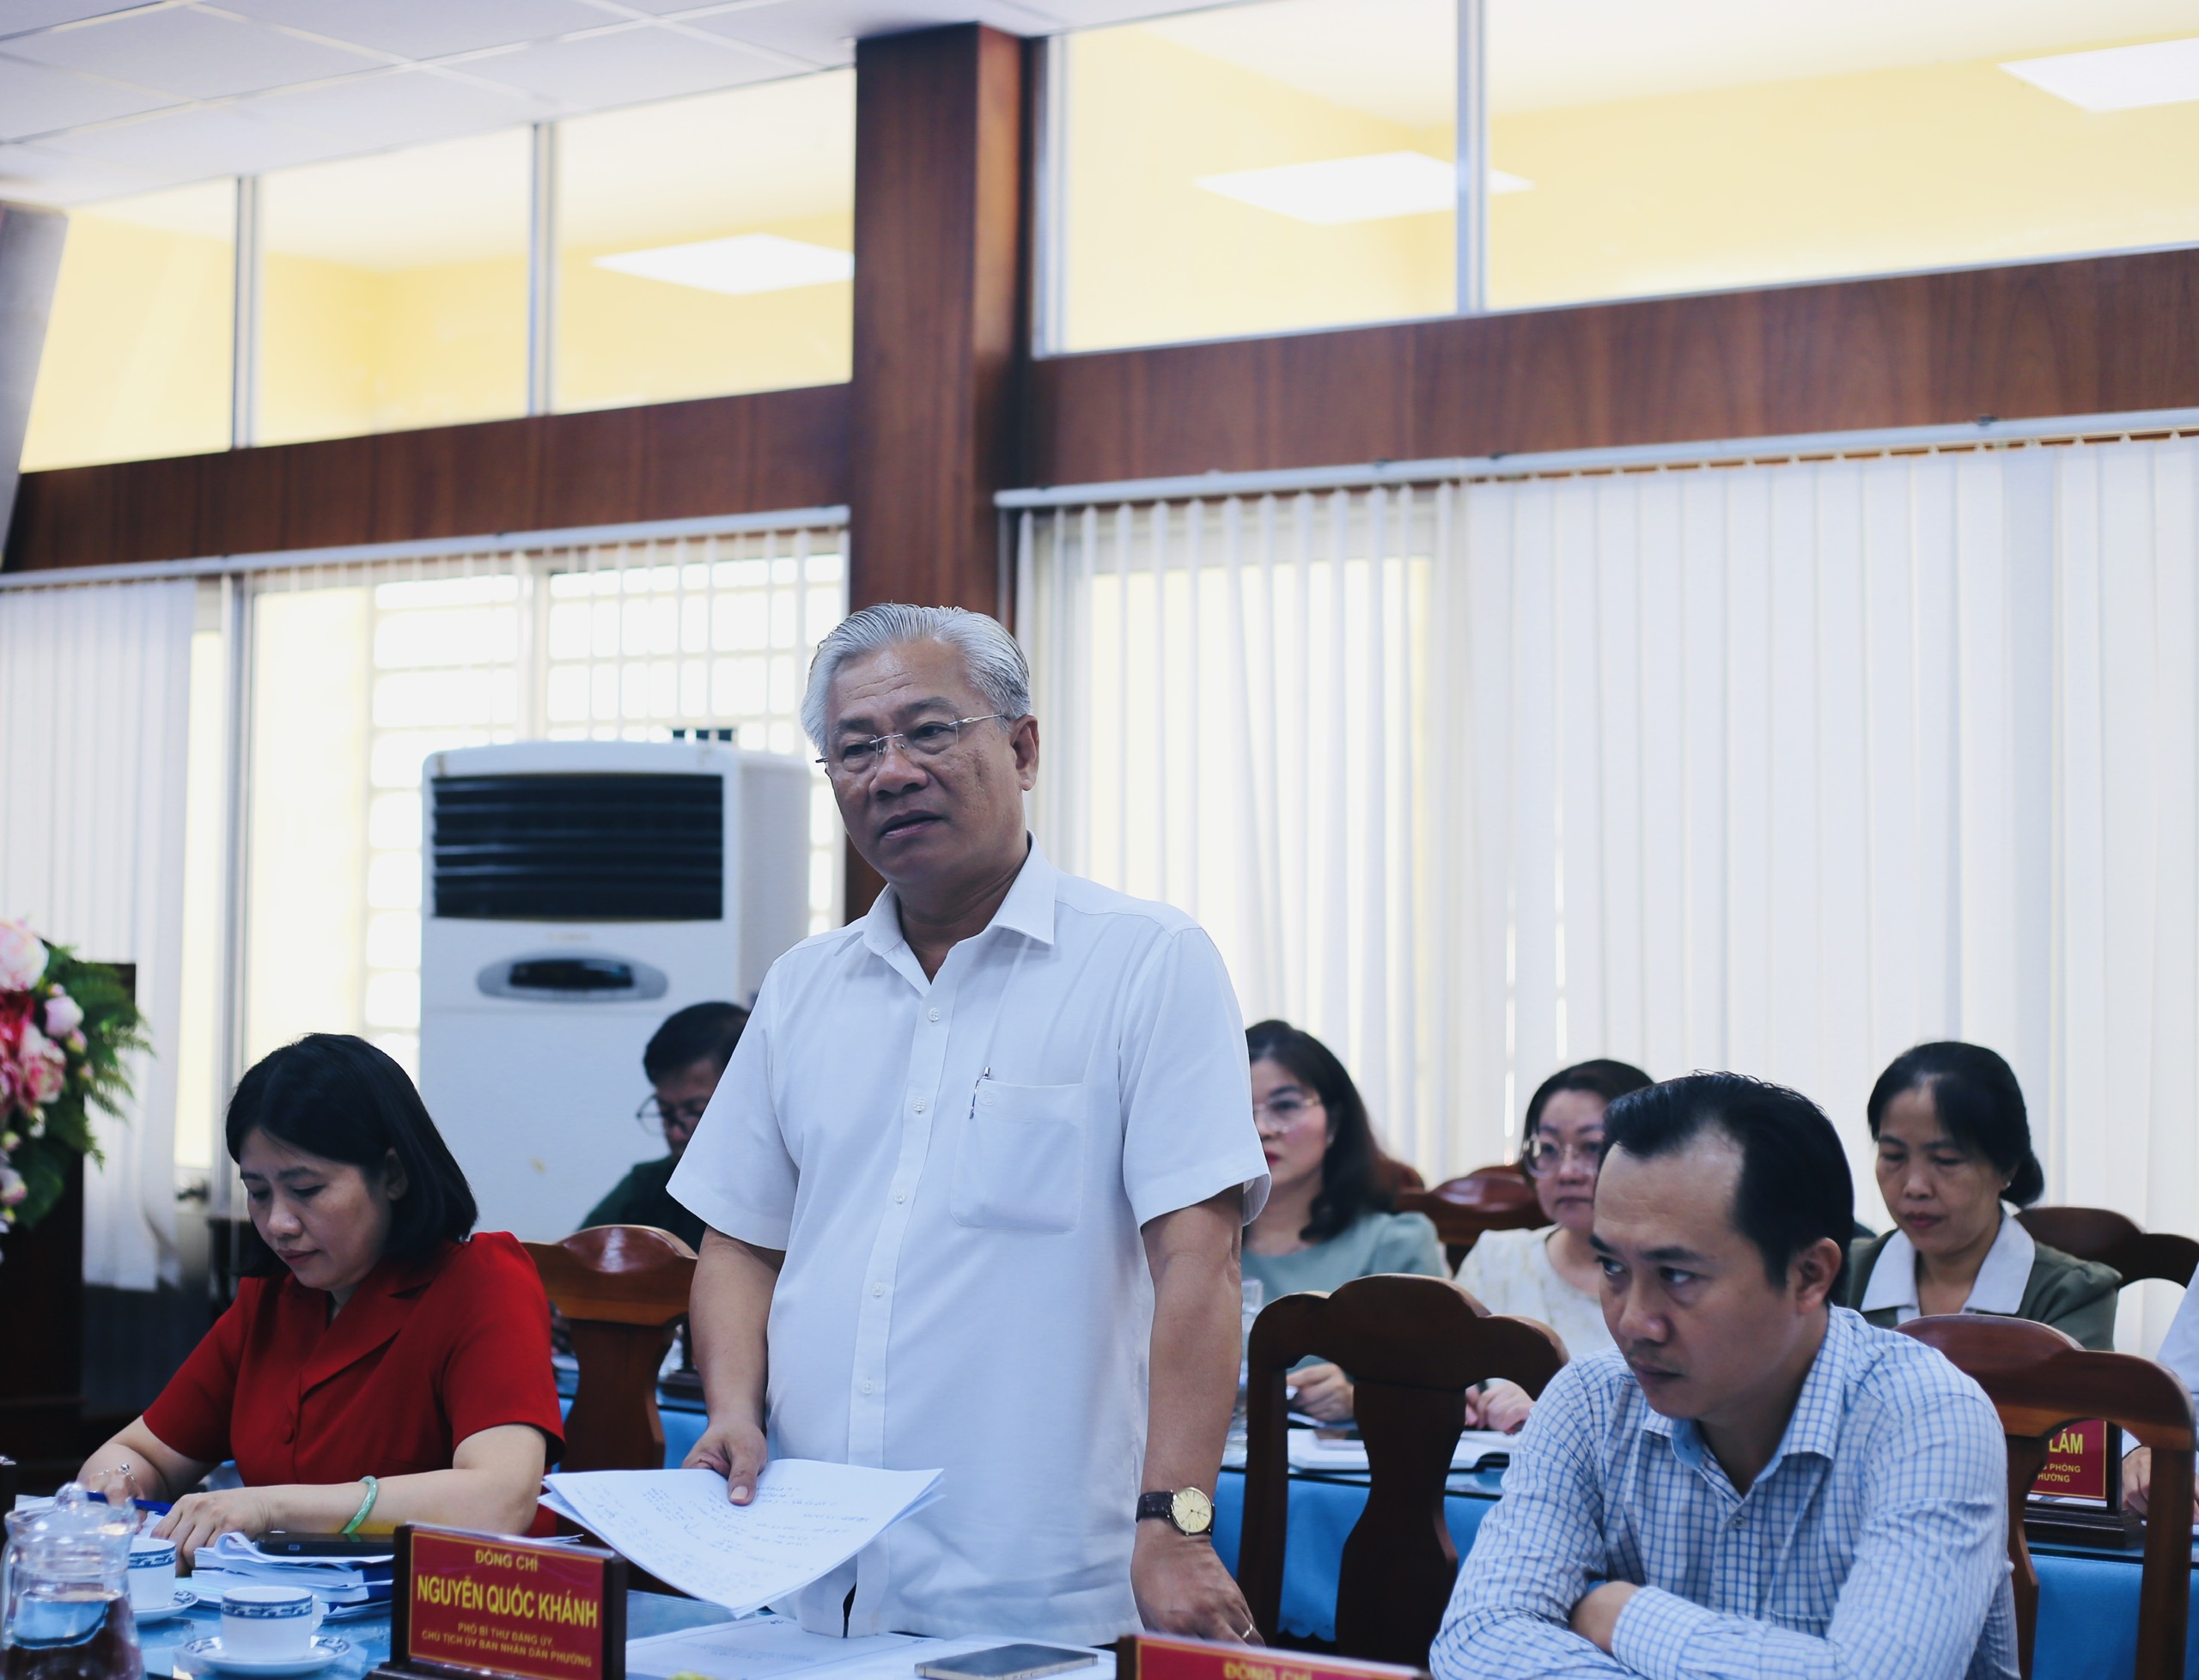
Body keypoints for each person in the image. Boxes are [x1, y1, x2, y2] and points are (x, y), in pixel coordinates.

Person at [669, 604, 1270, 1644]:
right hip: (812, 1577)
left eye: (929, 731)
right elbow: (740, 1242)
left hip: (1040, 1580)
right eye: (856, 748)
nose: (891, 772)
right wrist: (731, 1408)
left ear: (1023, 749)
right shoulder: (803, 987)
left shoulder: (1144, 961)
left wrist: (1176, 1524)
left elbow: (1199, 1263)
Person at [1433, 1072, 2017, 1680]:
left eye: (1677, 1275)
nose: (1633, 1322)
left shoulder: (1928, 1417)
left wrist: (1624, 1615)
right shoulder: (1591, 1402)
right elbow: (1477, 1638)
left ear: (1809, 1276)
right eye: (1612, 1267)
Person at [76, 1034, 562, 1562]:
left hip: (463, 1603)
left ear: (393, 1175)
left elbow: (499, 1500)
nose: (278, 1224)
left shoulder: (482, 1282)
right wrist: (116, 1483)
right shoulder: (274, 1299)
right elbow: (141, 1452)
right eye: (258, 1193)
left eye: (306, 1190)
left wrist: (270, 1508)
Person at [1847, 1042, 2117, 1349]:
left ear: (2007, 1168)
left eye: (1945, 1160)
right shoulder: (1841, 1274)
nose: (1915, 1186)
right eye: (1894, 1156)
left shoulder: (2071, 1296)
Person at [1240, 1019, 1444, 1422]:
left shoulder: (1395, 1243)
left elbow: (1444, 1392)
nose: (1261, 1129)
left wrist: (1358, 1399)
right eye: (1240, 1110)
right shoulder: (1186, 1247)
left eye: (1285, 1106)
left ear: (1333, 1122)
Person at [1456, 1059, 1654, 1433]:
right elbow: (1443, 1369)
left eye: (1592, 1147)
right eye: (1548, 1149)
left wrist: (1556, 1416)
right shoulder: (1497, 1259)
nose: (1567, 1172)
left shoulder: (1674, 1278)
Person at [582, 1001, 750, 1249]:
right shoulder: (650, 1186)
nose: (675, 1133)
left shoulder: (791, 1194)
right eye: (665, 1112)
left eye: (696, 1111)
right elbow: (567, 1263)